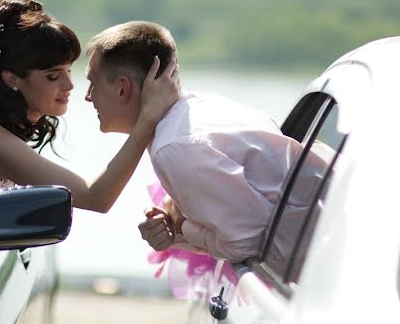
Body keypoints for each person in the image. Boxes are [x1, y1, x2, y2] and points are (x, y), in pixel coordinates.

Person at [84, 20, 316, 272]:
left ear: (122, 88)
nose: (87, 96)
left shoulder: (174, 148)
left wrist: (181, 227)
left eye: (93, 83)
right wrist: (177, 226)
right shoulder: (204, 108)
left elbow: (249, 245)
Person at [0, 0, 179, 226]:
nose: (69, 85)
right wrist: (146, 121)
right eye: (53, 76)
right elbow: (95, 198)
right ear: (12, 79)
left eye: (68, 70)